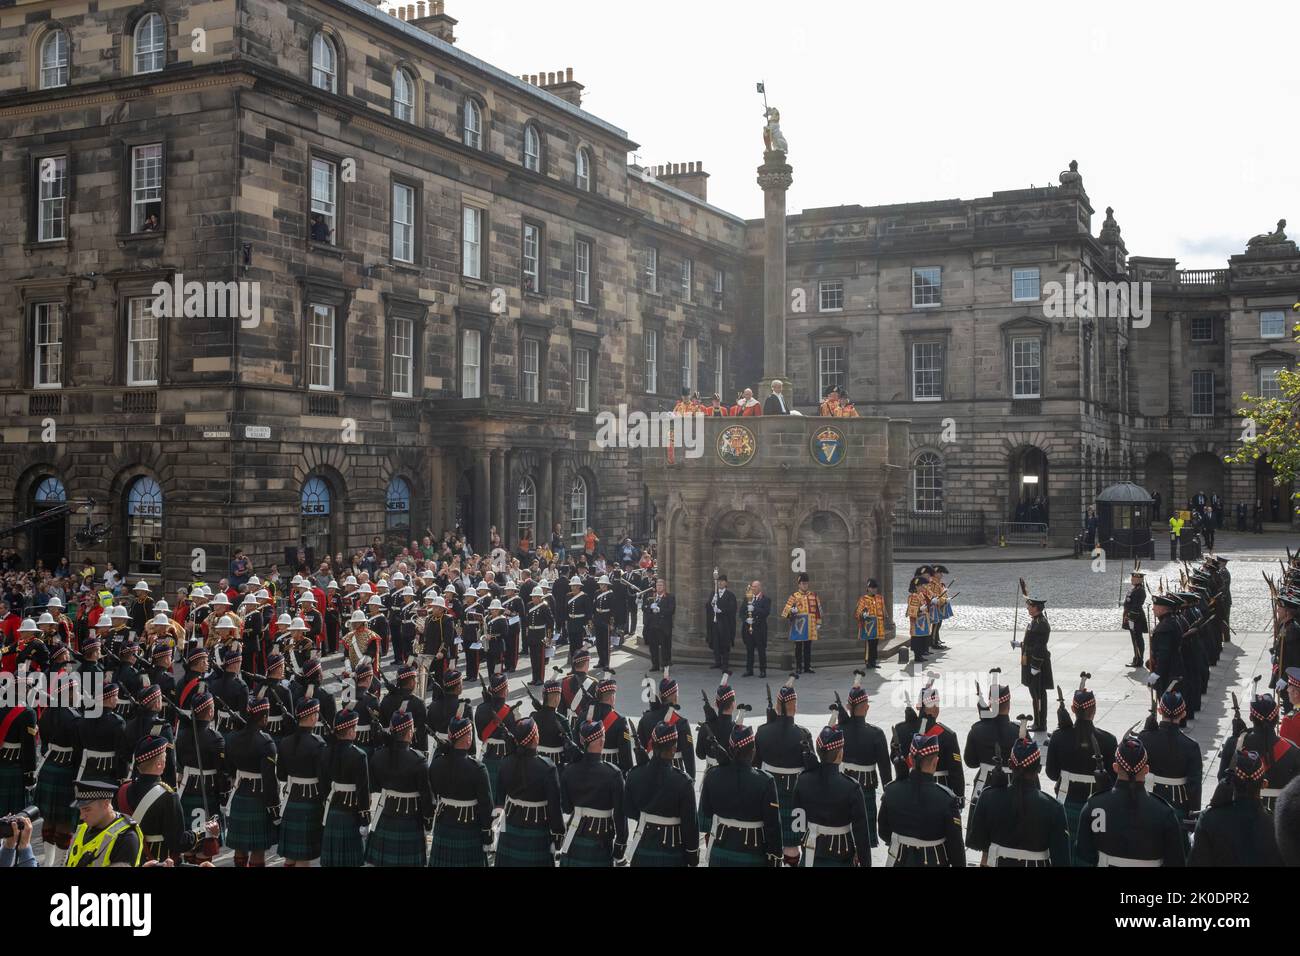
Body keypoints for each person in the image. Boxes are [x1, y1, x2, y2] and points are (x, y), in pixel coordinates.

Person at [965, 721, 1069, 866]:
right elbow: (1062, 860)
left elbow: (977, 842)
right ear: (1038, 768)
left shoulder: (988, 797)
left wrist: (993, 796)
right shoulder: (1053, 807)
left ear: (1010, 764)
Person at [1074, 736, 1185, 867]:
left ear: (1115, 767)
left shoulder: (1094, 807)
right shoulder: (1165, 812)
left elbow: (1083, 856)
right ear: (1146, 770)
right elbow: (1176, 861)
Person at [1045, 681, 1117, 865]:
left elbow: (1052, 774)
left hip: (1066, 801)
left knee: (1065, 852)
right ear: (1094, 709)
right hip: (1096, 806)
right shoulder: (1108, 740)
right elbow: (1114, 779)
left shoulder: (1059, 737)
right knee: (1092, 852)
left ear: (1073, 709)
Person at [117, 735, 218, 864]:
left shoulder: (123, 790)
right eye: (165, 757)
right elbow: (178, 843)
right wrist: (203, 831)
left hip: (131, 860)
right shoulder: (168, 796)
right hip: (159, 861)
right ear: (160, 764)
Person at [696, 717, 781, 867]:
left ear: (730, 749)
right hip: (752, 853)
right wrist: (775, 855)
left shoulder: (713, 775)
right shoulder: (765, 781)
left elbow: (708, 812)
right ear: (753, 750)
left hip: (720, 849)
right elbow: (772, 825)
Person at [877, 734, 965, 867]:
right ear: (935, 762)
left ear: (911, 759)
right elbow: (956, 847)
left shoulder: (891, 791)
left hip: (900, 861)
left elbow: (883, 832)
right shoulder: (946, 799)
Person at [794, 716, 871, 866]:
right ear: (840, 754)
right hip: (840, 854)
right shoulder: (851, 787)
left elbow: (797, 820)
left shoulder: (803, 780)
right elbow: (861, 834)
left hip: (811, 850)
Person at [754, 678, 815, 859]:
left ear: (777, 708)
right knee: (792, 845)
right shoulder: (802, 734)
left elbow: (754, 764)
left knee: (769, 839)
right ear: (793, 706)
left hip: (768, 794)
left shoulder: (762, 731)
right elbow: (813, 767)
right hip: (796, 798)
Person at [624, 720, 699, 866]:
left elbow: (629, 810)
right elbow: (690, 826)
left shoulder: (634, 774)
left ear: (653, 745)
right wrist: (692, 855)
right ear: (673, 748)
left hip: (642, 842)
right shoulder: (683, 782)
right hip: (672, 848)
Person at [366, 707, 434, 867]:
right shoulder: (418, 761)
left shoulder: (378, 756)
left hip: (385, 813)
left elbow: (374, 786)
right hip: (410, 819)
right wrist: (428, 822)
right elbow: (426, 797)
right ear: (409, 731)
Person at [494, 718, 564, 866]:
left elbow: (499, 802)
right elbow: (554, 807)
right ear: (535, 737)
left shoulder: (505, 762)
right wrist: (558, 835)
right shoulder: (547, 767)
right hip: (537, 828)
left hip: (511, 823)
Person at [558, 717, 627, 867]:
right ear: (602, 741)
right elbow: (620, 814)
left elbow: (567, 808)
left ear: (582, 741)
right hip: (600, 838)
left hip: (574, 833)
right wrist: (621, 844)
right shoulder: (613, 774)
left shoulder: (569, 771)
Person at [427, 714, 494, 867]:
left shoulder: (437, 764)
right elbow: (486, 806)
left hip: (444, 823)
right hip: (469, 826)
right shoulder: (478, 768)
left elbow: (432, 789)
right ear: (468, 738)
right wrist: (487, 834)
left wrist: (441, 752)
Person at [224, 695, 280, 867]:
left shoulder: (232, 738)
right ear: (263, 717)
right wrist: (275, 809)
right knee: (258, 849)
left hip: (239, 794)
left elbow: (228, 769)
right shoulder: (266, 742)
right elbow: (269, 781)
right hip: (259, 798)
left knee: (240, 847)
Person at [277, 697, 328, 866]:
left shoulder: (284, 742)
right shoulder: (318, 743)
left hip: (291, 798)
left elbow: (282, 775)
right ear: (312, 716)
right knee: (303, 858)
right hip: (310, 801)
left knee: (291, 855)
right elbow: (323, 779)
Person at [1139, 689, 1202, 822]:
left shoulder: (1145, 738)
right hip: (1176, 804)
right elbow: (1194, 785)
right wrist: (1194, 814)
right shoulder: (1191, 746)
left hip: (1147, 801)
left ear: (1160, 711)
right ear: (1183, 713)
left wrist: (1145, 733)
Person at [321, 708, 371, 867]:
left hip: (332, 809)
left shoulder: (326, 751)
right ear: (350, 731)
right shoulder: (359, 755)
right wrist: (365, 819)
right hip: (351, 813)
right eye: (355, 728)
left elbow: (323, 782)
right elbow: (363, 791)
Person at [65, 776, 144, 867]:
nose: (82, 816)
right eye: (80, 810)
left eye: (87, 809)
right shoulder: (83, 828)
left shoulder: (125, 837)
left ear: (106, 804)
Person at [964, 683, 1018, 812]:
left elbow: (970, 762)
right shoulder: (1018, 732)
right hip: (1012, 788)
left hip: (984, 784)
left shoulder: (977, 730)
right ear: (1009, 705)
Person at [1020, 595, 1052, 731]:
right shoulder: (1035, 621)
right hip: (1031, 662)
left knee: (1038, 695)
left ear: (1036, 608)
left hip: (1036, 665)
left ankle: (1040, 723)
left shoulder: (1041, 624)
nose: (1028, 608)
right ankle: (1038, 722)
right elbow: (1031, 642)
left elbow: (1040, 647)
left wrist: (1035, 666)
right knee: (1035, 694)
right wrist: (1020, 644)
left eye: (1030, 606)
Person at [781, 573, 821, 674]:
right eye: (803, 583)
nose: (805, 585)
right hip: (798, 625)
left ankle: (807, 666)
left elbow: (818, 610)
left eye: (806, 583)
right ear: (799, 584)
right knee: (798, 647)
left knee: (808, 647)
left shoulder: (813, 595)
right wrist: (791, 612)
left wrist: (818, 622)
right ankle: (798, 666)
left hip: (810, 624)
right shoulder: (794, 596)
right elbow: (785, 612)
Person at [641, 579, 674, 672]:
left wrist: (660, 610)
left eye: (661, 585)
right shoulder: (650, 596)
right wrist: (650, 609)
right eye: (657, 585)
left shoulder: (670, 597)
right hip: (652, 626)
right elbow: (644, 607)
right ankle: (655, 665)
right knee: (653, 647)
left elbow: (671, 610)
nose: (659, 587)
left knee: (665, 646)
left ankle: (665, 664)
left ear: (664, 587)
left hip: (664, 626)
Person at [706, 574, 737, 671]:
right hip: (715, 623)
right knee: (715, 642)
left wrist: (721, 610)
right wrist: (710, 604)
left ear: (726, 583)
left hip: (725, 624)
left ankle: (725, 663)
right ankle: (717, 662)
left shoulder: (730, 595)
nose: (720, 583)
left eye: (722, 581)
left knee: (725, 643)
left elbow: (732, 609)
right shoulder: (713, 594)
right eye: (719, 581)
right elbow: (708, 607)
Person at [855, 579, 885, 668]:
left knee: (875, 644)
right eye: (872, 588)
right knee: (869, 644)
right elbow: (858, 612)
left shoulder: (879, 598)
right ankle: (868, 661)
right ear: (868, 588)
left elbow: (883, 610)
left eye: (875, 588)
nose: (874, 590)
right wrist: (863, 614)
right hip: (869, 626)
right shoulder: (863, 599)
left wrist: (884, 617)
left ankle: (874, 661)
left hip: (878, 625)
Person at [1122, 569, 1148, 668]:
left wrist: (1130, 618)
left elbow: (1137, 606)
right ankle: (1136, 658)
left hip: (1136, 618)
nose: (1132, 579)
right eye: (1132, 578)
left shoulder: (1140, 591)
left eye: (1135, 578)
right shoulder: (1134, 589)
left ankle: (1138, 660)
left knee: (1137, 639)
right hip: (1132, 617)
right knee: (1135, 639)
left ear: (1140, 580)